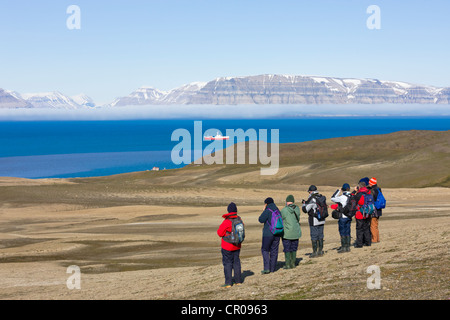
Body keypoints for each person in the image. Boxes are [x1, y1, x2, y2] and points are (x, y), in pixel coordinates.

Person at [217, 202, 242, 288]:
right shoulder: (239, 219)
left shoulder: (227, 221)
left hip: (227, 246)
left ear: (228, 210)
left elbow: (219, 233)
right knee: (236, 262)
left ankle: (228, 283)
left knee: (227, 263)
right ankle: (238, 281)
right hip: (237, 245)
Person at [302, 185, 326, 258]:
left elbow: (306, 210)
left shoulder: (312, 198)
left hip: (314, 220)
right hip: (322, 219)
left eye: (309, 191)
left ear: (311, 191)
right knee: (320, 235)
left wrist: (303, 204)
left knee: (314, 236)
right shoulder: (321, 197)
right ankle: (320, 251)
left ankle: (315, 252)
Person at [258, 197, 281, 274]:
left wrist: (264, 210)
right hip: (277, 233)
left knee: (265, 250)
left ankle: (267, 268)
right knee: (274, 250)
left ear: (266, 204)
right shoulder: (277, 210)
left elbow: (261, 219)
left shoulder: (267, 210)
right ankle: (273, 268)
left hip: (268, 233)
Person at [280, 195, 302, 269]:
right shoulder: (297, 209)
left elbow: (280, 219)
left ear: (286, 202)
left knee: (287, 248)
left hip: (287, 233)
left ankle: (288, 264)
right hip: (296, 231)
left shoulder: (284, 210)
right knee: (294, 248)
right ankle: (293, 263)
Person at [331, 183, 352, 253]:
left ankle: (344, 247)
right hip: (349, 216)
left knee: (342, 232)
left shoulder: (342, 197)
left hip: (343, 216)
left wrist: (338, 191)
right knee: (348, 231)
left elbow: (332, 198)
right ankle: (348, 247)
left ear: (343, 189)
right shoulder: (352, 196)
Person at [352, 181, 372, 248]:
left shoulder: (359, 194)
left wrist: (354, 191)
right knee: (366, 228)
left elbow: (351, 199)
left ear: (359, 187)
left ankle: (359, 244)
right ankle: (368, 242)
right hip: (368, 213)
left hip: (360, 213)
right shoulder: (369, 192)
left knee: (359, 229)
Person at [368, 177, 382, 243]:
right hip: (379, 210)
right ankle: (377, 239)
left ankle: (374, 239)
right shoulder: (379, 189)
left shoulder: (372, 190)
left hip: (374, 210)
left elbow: (372, 200)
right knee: (376, 225)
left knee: (372, 225)